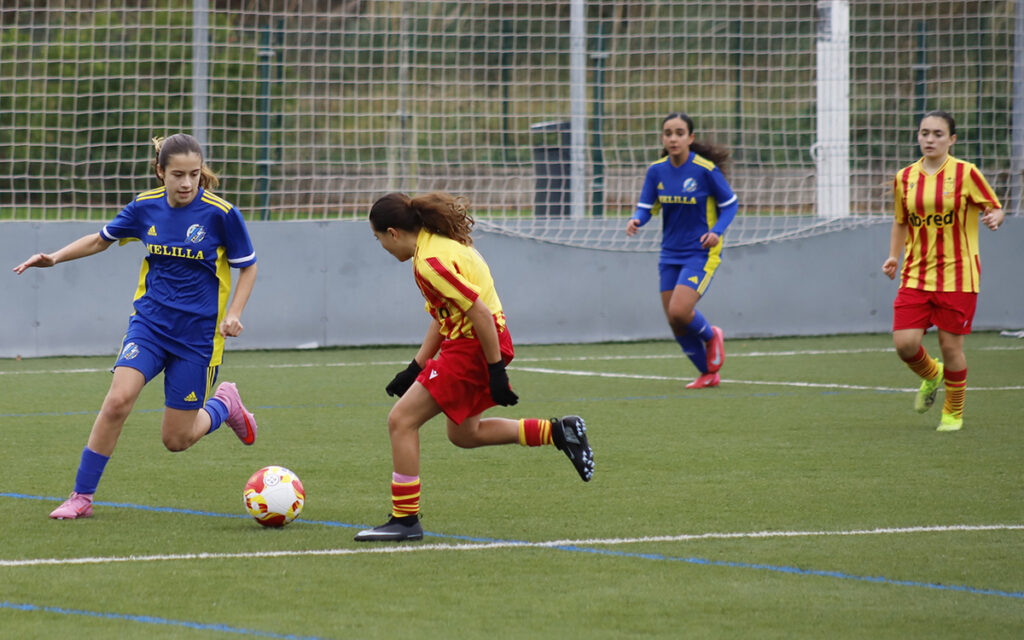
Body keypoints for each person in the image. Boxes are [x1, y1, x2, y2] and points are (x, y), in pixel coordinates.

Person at [12, 133, 260, 518]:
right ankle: (82, 497)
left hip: (197, 337)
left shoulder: (221, 214)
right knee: (116, 402)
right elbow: (101, 239)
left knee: (176, 440)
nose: (186, 183)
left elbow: (248, 266)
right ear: (160, 172)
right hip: (150, 325)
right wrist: (54, 258)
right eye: (177, 174)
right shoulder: (145, 207)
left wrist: (234, 313)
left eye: (194, 174)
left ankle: (223, 404)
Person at [356, 191, 594, 542]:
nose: (384, 248)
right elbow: (448, 314)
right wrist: (415, 367)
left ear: (392, 233)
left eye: (379, 240)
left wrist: (496, 370)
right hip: (477, 342)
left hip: (475, 347)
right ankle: (560, 433)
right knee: (464, 434)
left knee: (401, 420)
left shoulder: (429, 262)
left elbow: (479, 313)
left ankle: (405, 520)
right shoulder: (441, 245)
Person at [882, 110, 1004, 432]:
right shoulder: (904, 177)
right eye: (924, 133)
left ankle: (952, 412)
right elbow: (900, 221)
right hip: (916, 275)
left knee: (951, 348)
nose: (929, 139)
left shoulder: (966, 173)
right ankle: (932, 374)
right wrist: (894, 256)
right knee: (904, 344)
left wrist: (994, 218)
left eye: (937, 134)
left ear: (952, 139)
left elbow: (995, 207)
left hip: (958, 276)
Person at [625, 112, 738, 389]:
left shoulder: (704, 170)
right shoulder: (657, 170)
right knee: (676, 322)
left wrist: (716, 232)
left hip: (700, 251)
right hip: (670, 253)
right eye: (668, 133)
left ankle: (712, 336)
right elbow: (647, 204)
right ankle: (707, 373)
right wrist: (637, 219)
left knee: (679, 310)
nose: (673, 138)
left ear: (691, 137)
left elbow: (730, 204)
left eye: (678, 133)